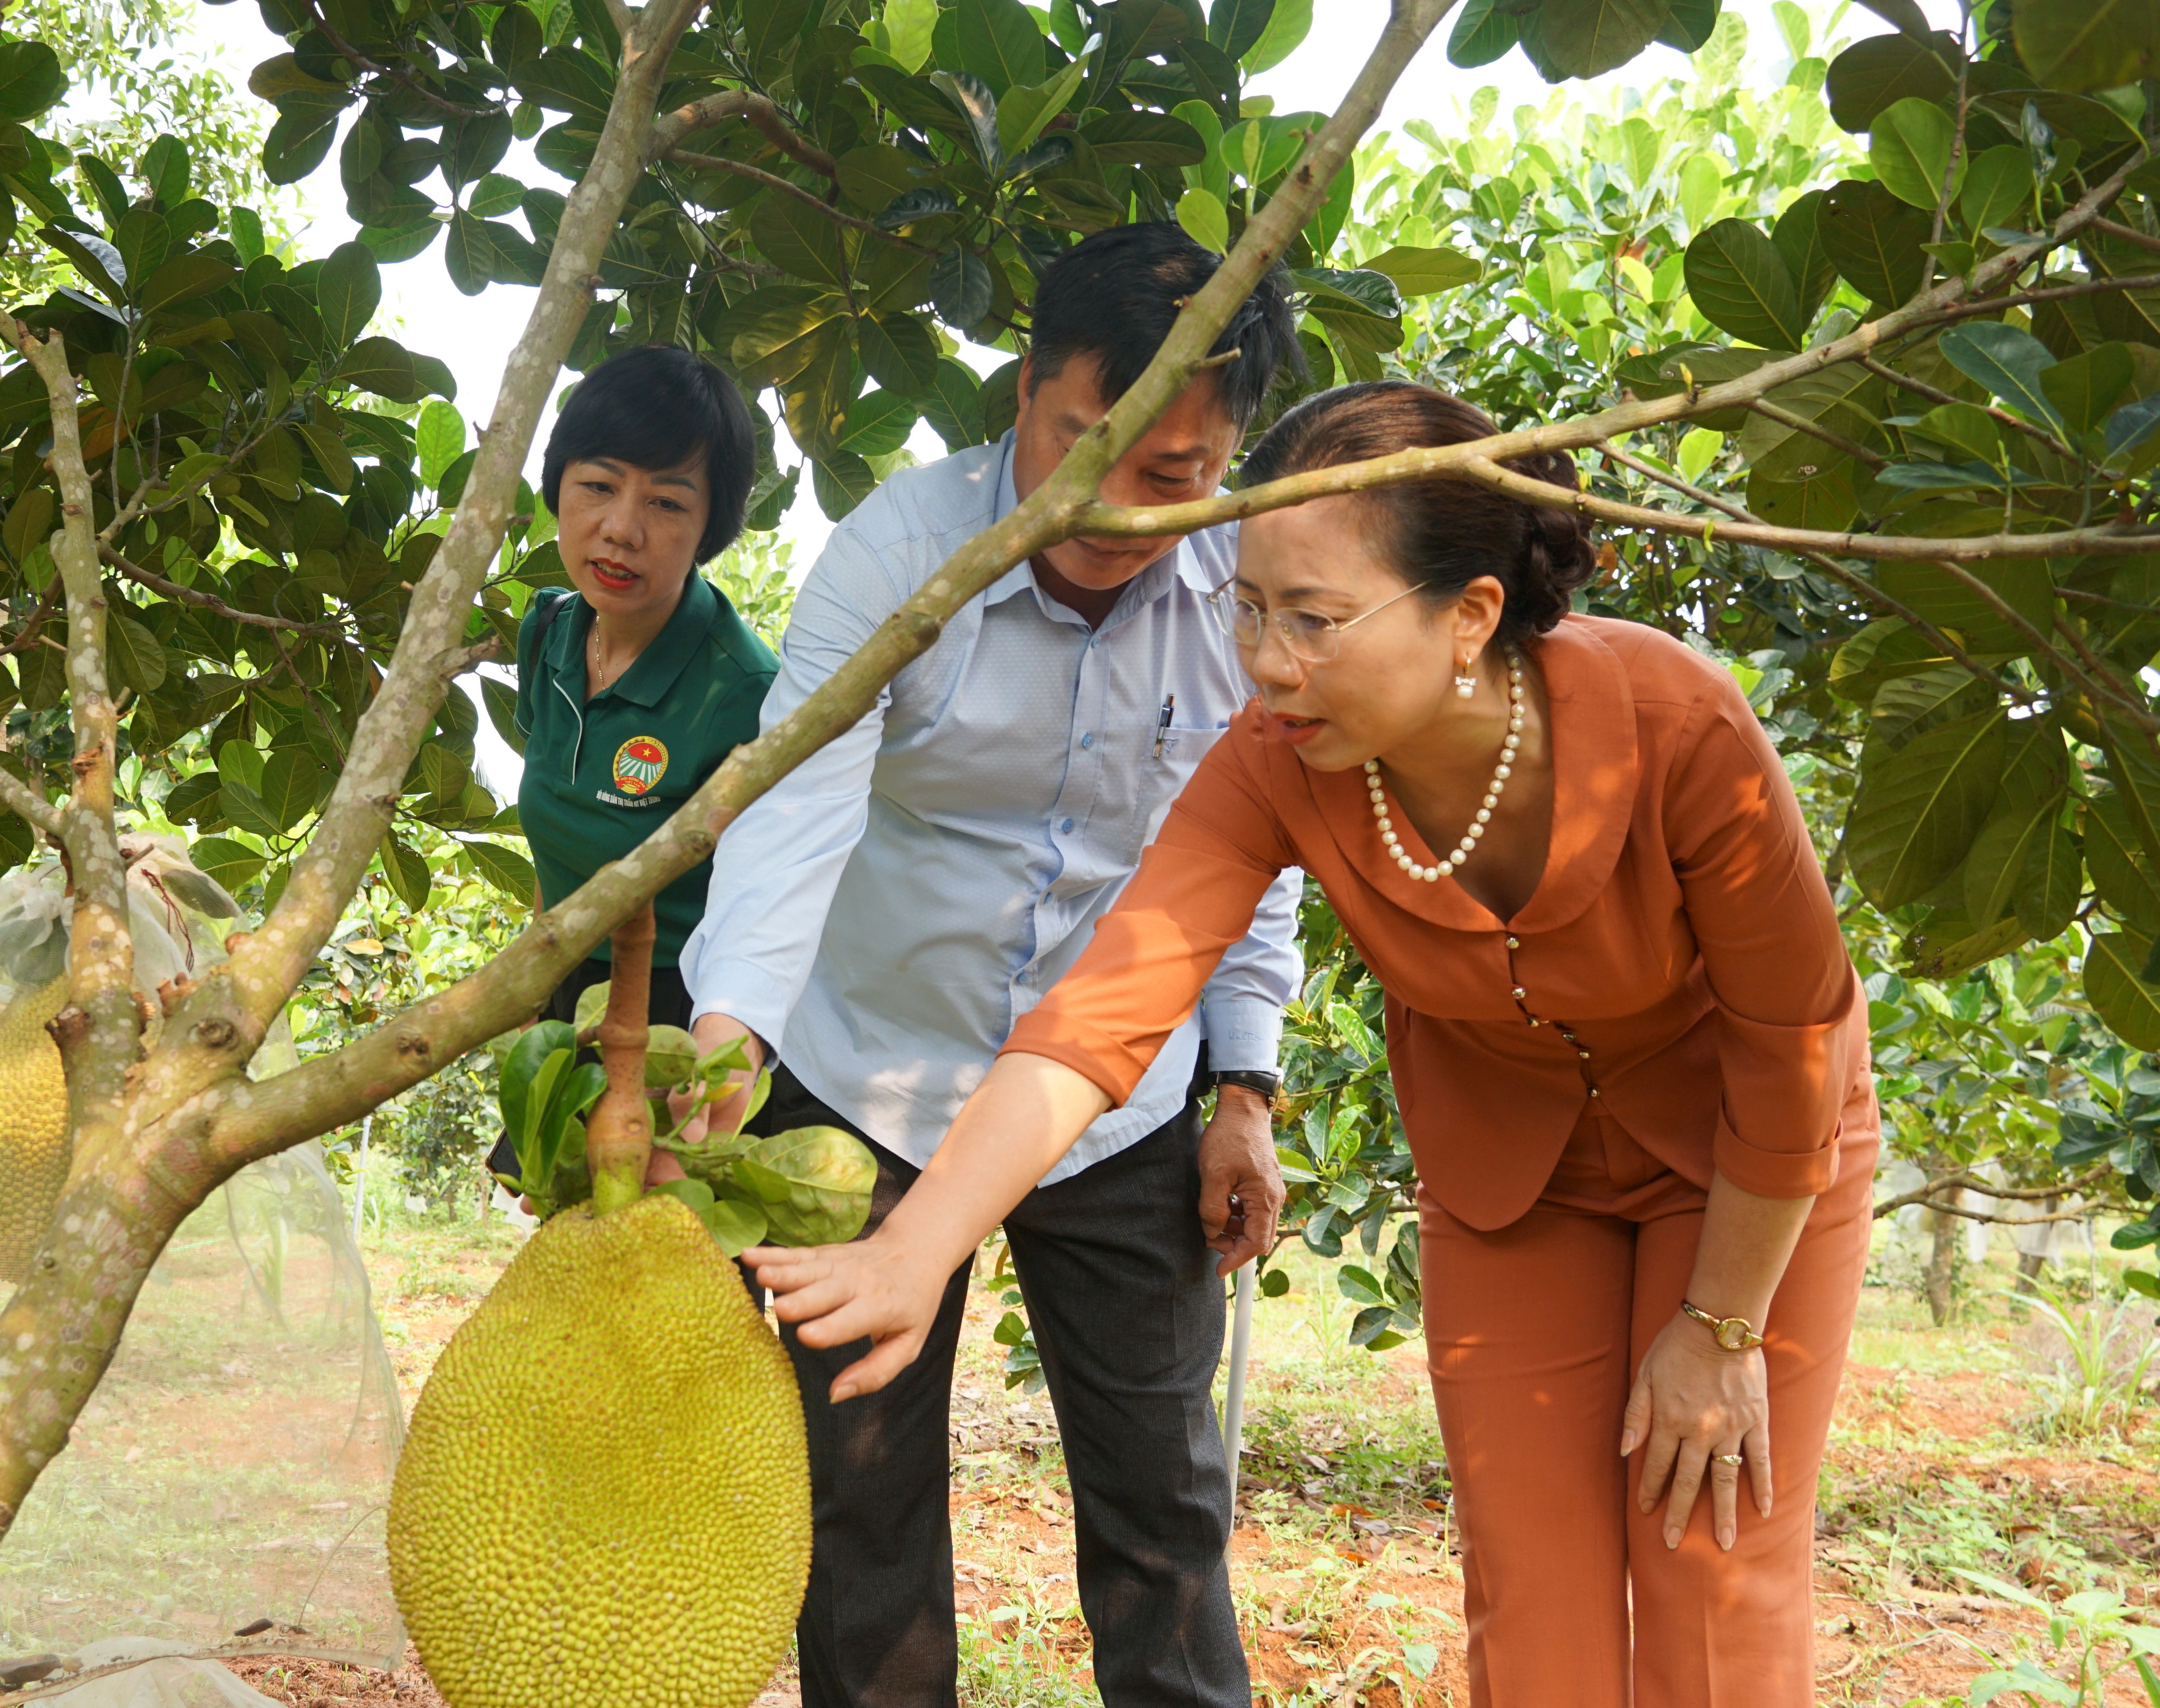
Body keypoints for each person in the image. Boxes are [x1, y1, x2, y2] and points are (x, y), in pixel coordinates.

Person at [750, 379, 1879, 1708]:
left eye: (1315, 620)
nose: (1267, 662)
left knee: (1707, 1571)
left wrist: (1721, 1325)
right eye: (1247, 609)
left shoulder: (1680, 727)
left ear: (1470, 616)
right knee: (1535, 1599)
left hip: (1754, 1176)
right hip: (1518, 1185)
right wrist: (917, 1245)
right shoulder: (1278, 761)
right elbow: (1105, 1014)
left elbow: (1794, 1036)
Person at [676, 224, 1307, 1708]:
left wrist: (1246, 1086)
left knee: (1164, 1499)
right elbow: (794, 808)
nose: (1109, 498)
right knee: (861, 1505)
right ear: (1025, 389)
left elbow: (1250, 846)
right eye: (1084, 440)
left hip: (1121, 1100)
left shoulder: (1244, 586)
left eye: (1171, 470)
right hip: (867, 1078)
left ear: (1229, 454)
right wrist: (729, 1036)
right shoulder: (904, 552)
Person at [508, 342, 778, 1036]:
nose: (621, 529)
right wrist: (529, 980)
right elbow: (557, 835)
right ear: (558, 486)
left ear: (709, 528)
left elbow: (773, 910)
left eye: (664, 502)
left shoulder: (746, 693)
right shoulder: (548, 634)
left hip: (678, 1015)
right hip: (555, 974)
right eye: (598, 486)